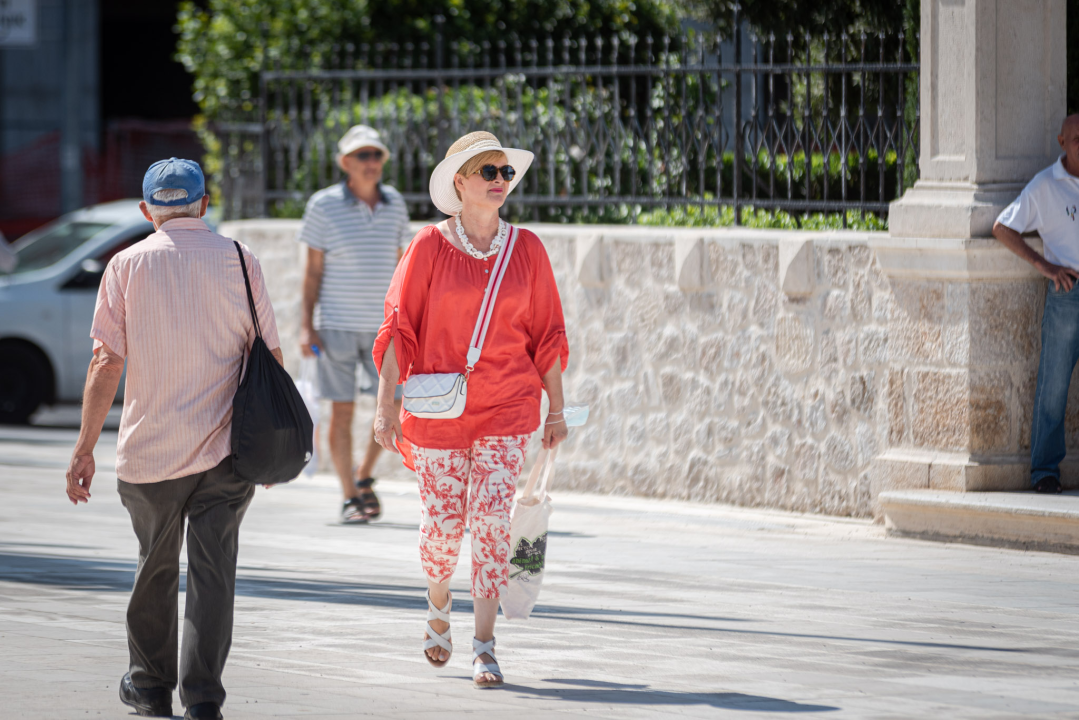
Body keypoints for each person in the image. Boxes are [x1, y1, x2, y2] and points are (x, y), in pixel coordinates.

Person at [64, 158, 282, 720]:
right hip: (228, 452)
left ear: (147, 210)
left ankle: (149, 687)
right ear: (204, 204)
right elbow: (271, 357)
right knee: (213, 575)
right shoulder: (240, 259)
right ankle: (204, 698)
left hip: (150, 452)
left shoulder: (125, 265)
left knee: (153, 566)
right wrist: (275, 442)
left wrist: (85, 446)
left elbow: (106, 361)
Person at [371, 131, 570, 688]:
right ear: (459, 182)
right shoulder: (428, 248)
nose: (500, 183)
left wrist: (557, 409)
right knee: (442, 528)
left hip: (508, 407)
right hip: (439, 413)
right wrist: (386, 407)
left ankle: (484, 644)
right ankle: (438, 601)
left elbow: (548, 335)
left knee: (490, 522)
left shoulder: (527, 249)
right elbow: (398, 330)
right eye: (489, 173)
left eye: (506, 173)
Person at [298, 124, 411, 523]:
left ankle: (364, 475)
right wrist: (305, 326)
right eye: (363, 156)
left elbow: (404, 267)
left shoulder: (395, 203)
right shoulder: (322, 205)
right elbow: (312, 272)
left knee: (397, 405)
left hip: (386, 329)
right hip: (336, 327)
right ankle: (349, 496)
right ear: (345, 162)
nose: (372, 162)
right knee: (342, 412)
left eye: (377, 155)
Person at [993, 114, 1079, 494]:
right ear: (1062, 141)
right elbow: (1002, 227)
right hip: (1068, 294)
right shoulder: (1045, 186)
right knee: (1054, 385)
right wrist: (1043, 265)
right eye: (1077, 138)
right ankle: (1044, 471)